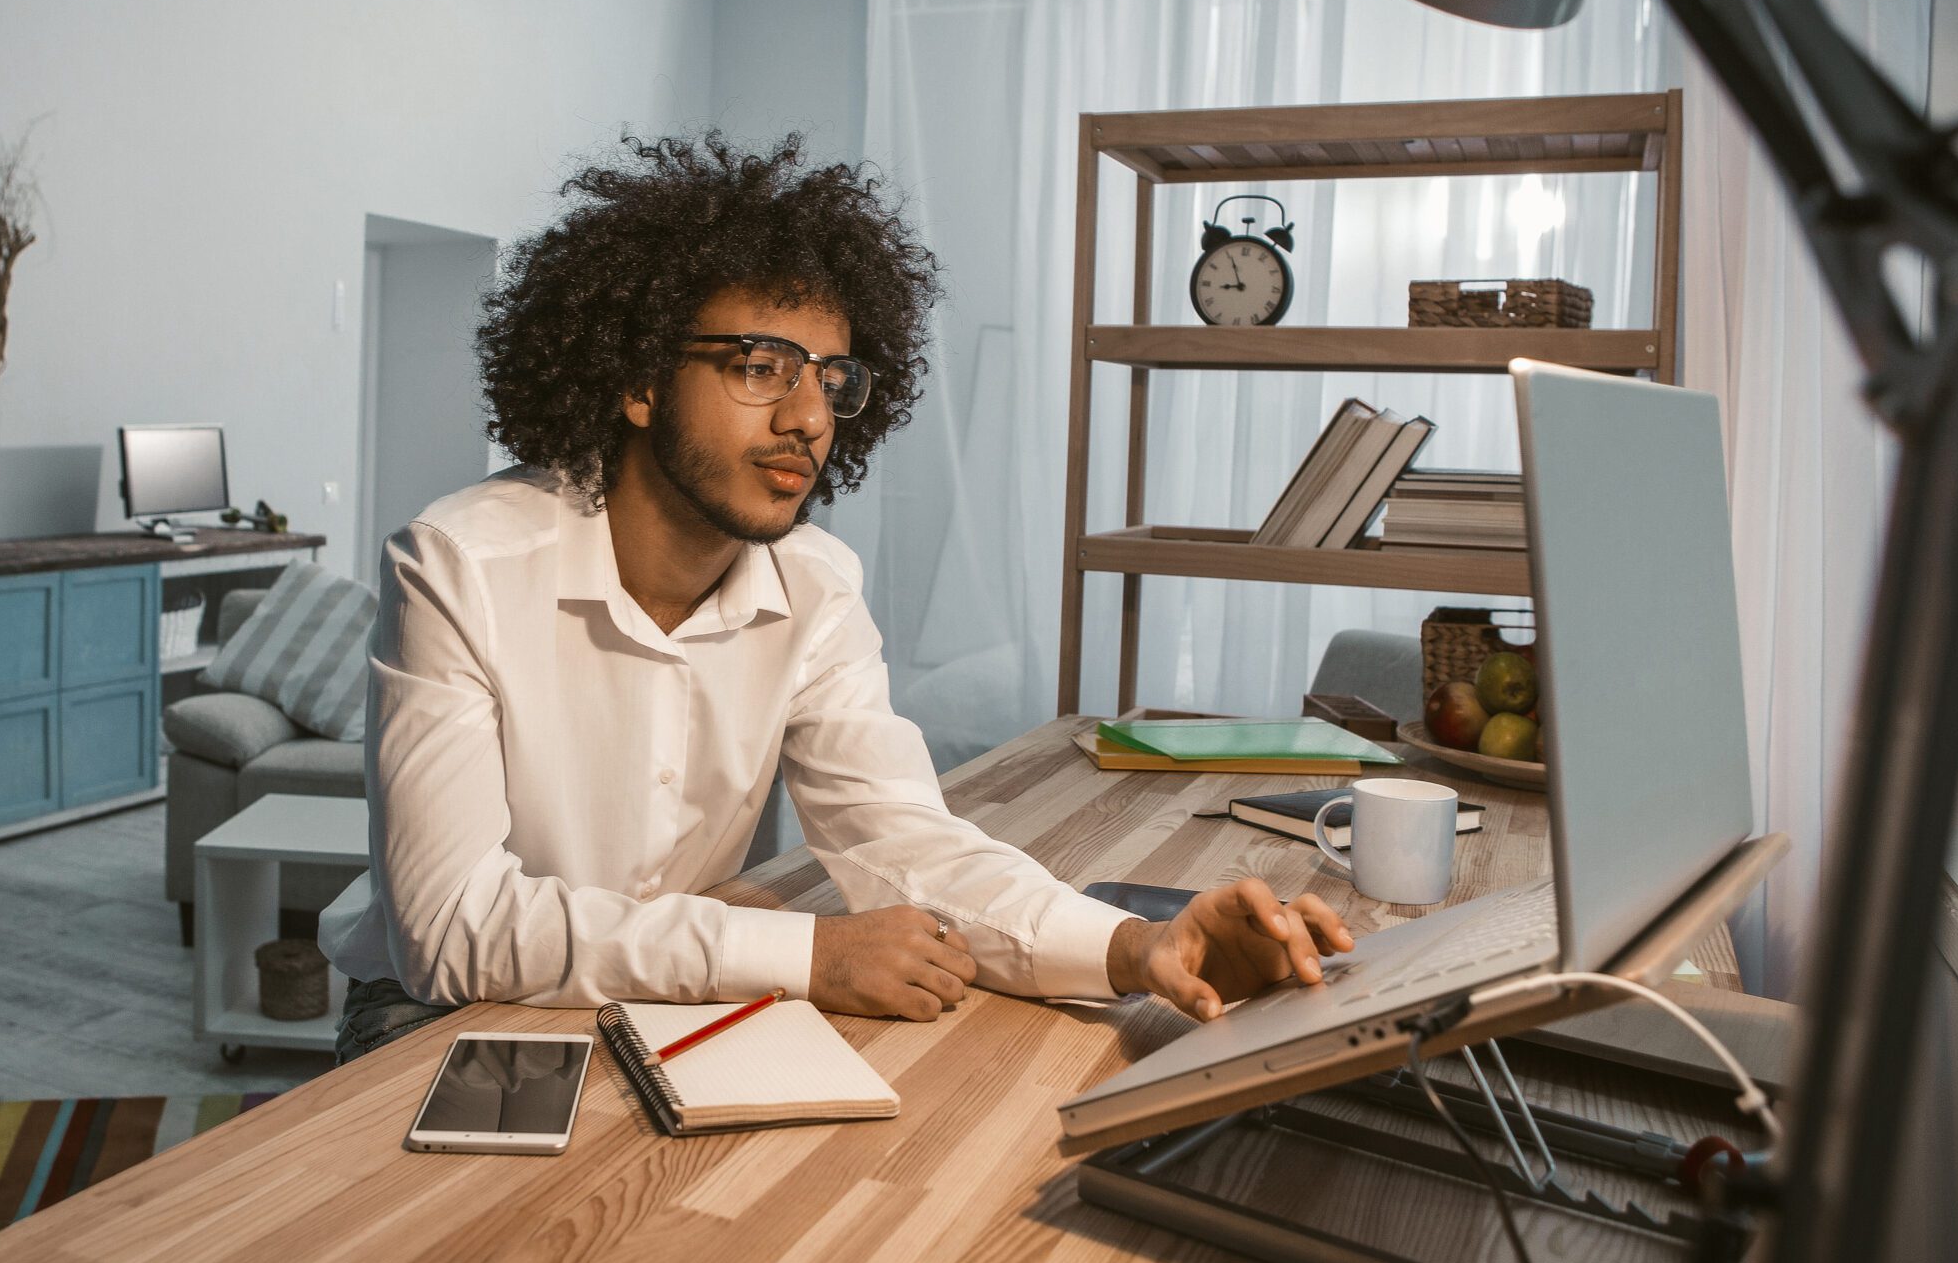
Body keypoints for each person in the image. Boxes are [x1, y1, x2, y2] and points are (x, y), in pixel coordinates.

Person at [317, 133, 1352, 1062]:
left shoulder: (814, 583)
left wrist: (1137, 946)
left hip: (681, 997)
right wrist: (807, 952)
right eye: (759, 367)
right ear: (634, 382)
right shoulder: (458, 563)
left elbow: (897, 837)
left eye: (833, 378)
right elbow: (452, 927)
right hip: (435, 1012)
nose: (810, 416)